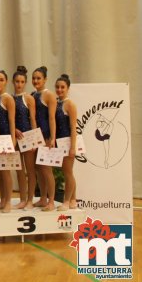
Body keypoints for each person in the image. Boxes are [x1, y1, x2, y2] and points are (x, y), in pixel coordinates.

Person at [32, 66, 57, 211]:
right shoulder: (33, 95)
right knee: (39, 169)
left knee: (47, 170)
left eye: (39, 78)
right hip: (36, 137)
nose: (36, 81)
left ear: (45, 79)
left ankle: (51, 200)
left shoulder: (49, 95)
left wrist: (52, 138)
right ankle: (42, 198)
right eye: (34, 78)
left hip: (46, 136)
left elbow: (52, 118)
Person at [12, 66, 37, 210]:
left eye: (22, 82)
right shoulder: (10, 98)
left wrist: (34, 139)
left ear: (25, 83)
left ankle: (30, 200)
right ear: (13, 82)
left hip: (27, 136)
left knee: (30, 170)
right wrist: (13, 129)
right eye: (17, 81)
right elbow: (8, 118)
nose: (19, 84)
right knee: (18, 169)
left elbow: (33, 119)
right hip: (15, 136)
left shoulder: (29, 98)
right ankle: (22, 199)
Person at [0, 71, 16, 213]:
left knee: (6, 171)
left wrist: (12, 140)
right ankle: (2, 200)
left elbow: (12, 121)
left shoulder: (8, 99)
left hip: (5, 137)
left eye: (1, 80)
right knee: (0, 171)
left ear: (6, 82)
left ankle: (8, 201)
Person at [54, 74, 78, 211]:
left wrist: (73, 147)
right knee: (66, 171)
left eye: (62, 87)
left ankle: (67, 201)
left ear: (68, 88)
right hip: (58, 142)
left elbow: (73, 127)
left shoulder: (70, 104)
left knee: (68, 172)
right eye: (57, 87)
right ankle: (73, 198)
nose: (59, 89)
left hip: (67, 142)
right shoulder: (57, 102)